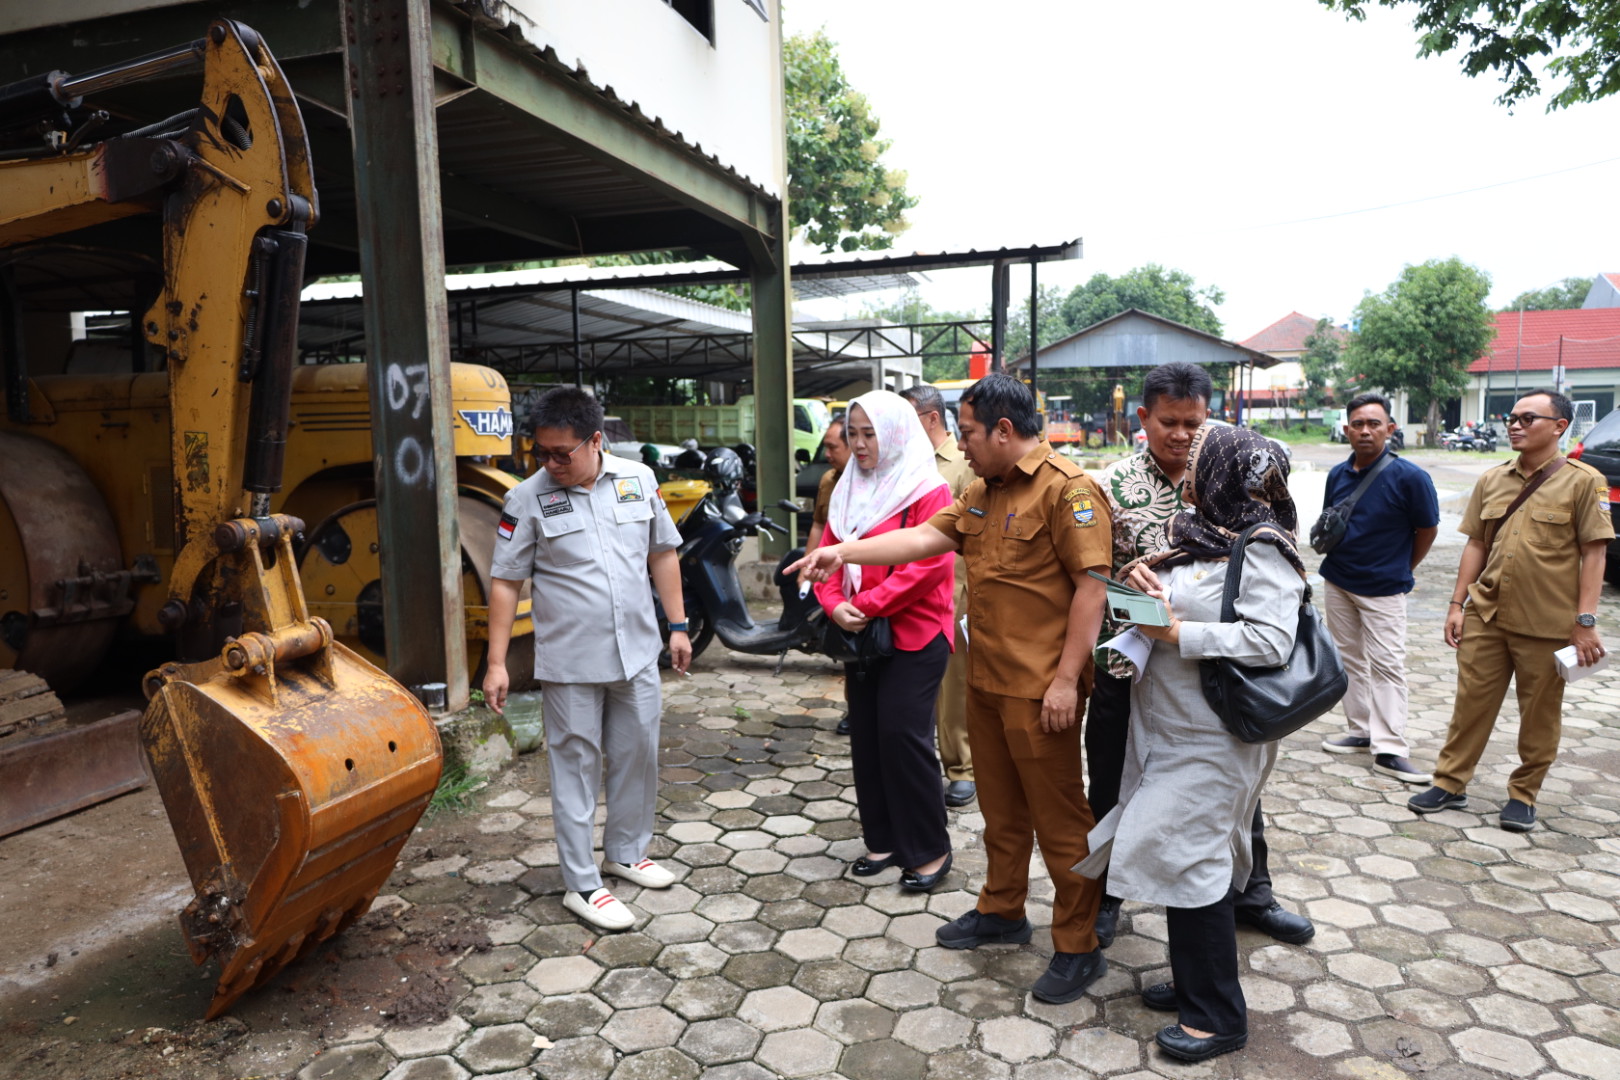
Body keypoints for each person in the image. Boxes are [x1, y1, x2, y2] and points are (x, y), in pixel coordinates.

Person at [792, 373, 1112, 1005]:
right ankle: (1002, 910)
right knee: (1000, 809)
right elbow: (923, 539)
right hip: (987, 682)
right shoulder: (982, 492)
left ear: (1001, 429)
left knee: (1060, 820)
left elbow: (1092, 590)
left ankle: (1079, 944)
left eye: (965, 432)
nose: (958, 445)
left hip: (1040, 689)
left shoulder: (1067, 491)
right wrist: (843, 551)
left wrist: (1068, 681)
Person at [1090, 422, 1308, 1064]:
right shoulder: (1201, 538)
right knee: (1186, 855)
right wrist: (1147, 592)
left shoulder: (1262, 545)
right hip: (1171, 728)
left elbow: (1272, 642)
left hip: (1216, 736)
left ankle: (1218, 1016)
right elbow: (1188, 607)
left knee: (1192, 860)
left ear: (1222, 471)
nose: (1186, 467)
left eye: (1199, 459)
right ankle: (1194, 984)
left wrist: (1176, 632)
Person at [483, 386, 692, 932]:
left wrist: (678, 625)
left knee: (637, 755)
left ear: (595, 441)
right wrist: (497, 663)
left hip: (638, 653)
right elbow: (506, 582)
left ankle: (625, 852)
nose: (550, 464)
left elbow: (661, 552)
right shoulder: (526, 499)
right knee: (574, 770)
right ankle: (582, 884)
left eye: (562, 454)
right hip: (571, 662)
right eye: (541, 453)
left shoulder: (637, 479)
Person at [1409, 389, 1613, 832]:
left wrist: (1585, 622)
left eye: (1528, 418)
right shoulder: (1493, 478)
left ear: (1559, 426)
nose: (1515, 425)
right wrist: (1455, 604)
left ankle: (1523, 794)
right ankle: (1450, 783)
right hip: (1487, 615)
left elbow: (1594, 554)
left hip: (1546, 623)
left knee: (1539, 715)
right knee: (1470, 706)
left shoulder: (1583, 481)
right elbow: (1476, 544)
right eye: (1511, 417)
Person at [815, 390, 957, 891]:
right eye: (852, 434)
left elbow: (929, 566)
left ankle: (930, 849)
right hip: (861, 635)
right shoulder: (848, 488)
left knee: (903, 737)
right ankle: (884, 838)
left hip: (916, 632)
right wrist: (834, 605)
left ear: (896, 432)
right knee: (868, 738)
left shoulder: (928, 490)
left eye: (869, 434)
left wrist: (869, 605)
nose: (859, 445)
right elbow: (827, 558)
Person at [1317, 392, 1440, 783]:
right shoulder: (1337, 474)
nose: (1365, 431)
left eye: (1374, 424)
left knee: (1387, 665)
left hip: (1383, 588)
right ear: (1346, 428)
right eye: (1358, 424)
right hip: (1338, 580)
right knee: (1348, 659)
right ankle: (1361, 730)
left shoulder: (1411, 477)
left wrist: (1403, 568)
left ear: (1390, 428)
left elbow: (1428, 529)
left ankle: (1390, 748)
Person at [899, 383, 977, 807]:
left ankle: (962, 766)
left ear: (931, 418)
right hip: (905, 583)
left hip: (955, 587)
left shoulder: (962, 461)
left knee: (953, 681)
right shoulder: (903, 463)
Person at [804, 419, 855, 736]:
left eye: (833, 446)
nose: (827, 453)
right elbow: (819, 525)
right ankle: (855, 708)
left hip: (862, 576)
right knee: (848, 649)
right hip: (834, 576)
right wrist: (808, 569)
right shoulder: (829, 480)